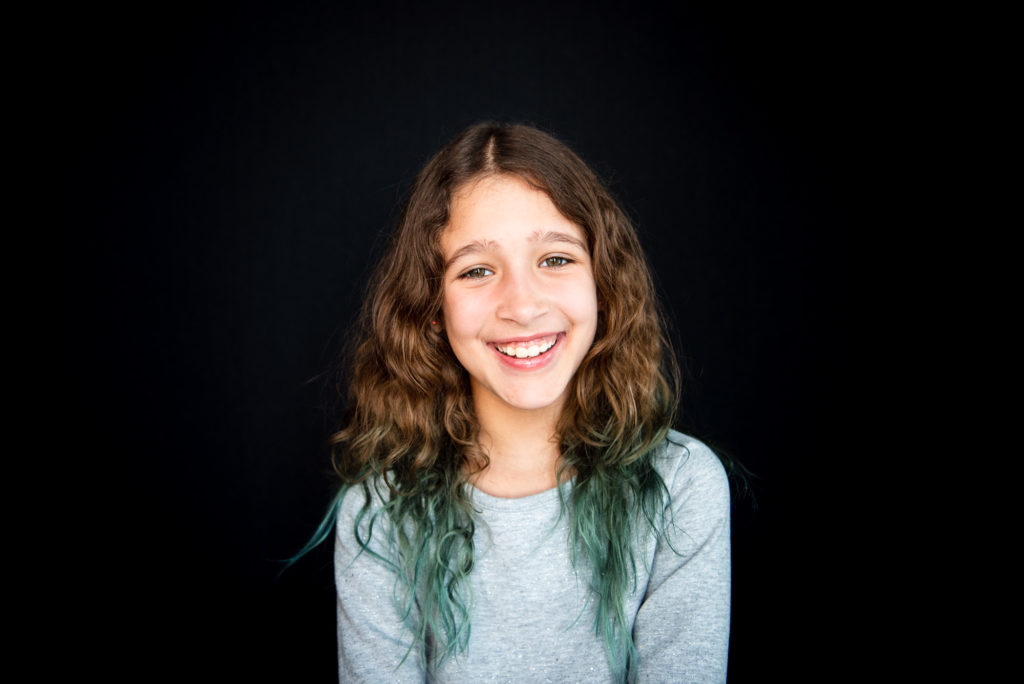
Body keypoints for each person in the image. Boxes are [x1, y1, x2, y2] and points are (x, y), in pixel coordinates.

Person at [307, 122, 730, 682]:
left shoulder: (682, 487)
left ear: (602, 282)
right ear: (433, 308)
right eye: (477, 270)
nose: (522, 305)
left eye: (555, 259)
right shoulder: (380, 512)